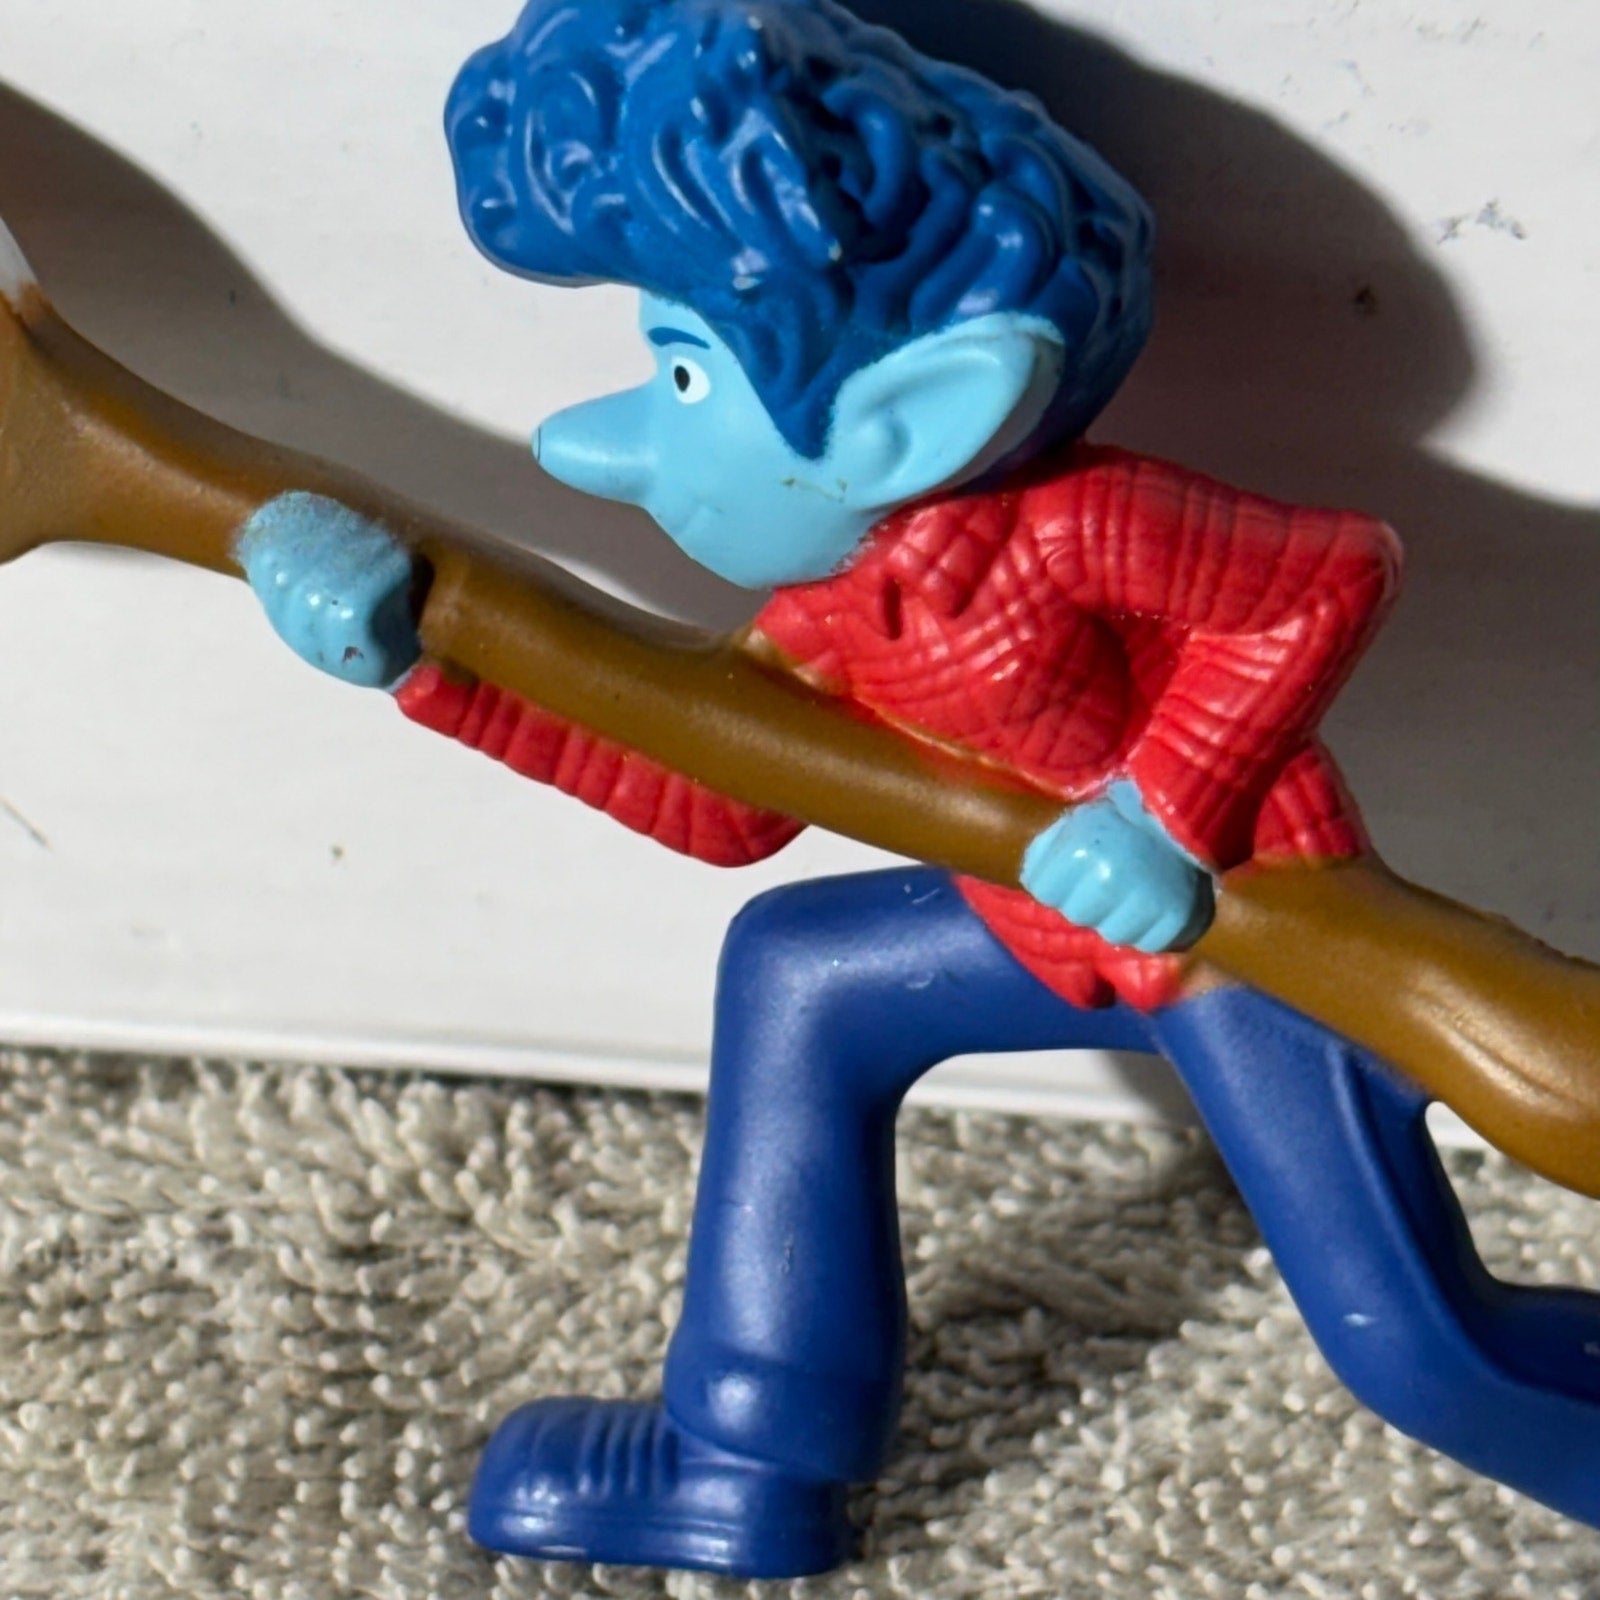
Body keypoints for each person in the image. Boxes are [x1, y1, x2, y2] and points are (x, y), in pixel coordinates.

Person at [236, 0, 1600, 1576]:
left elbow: (1321, 580)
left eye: (683, 378)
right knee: (803, 975)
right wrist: (426, 669)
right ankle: (745, 1458)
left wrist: (1165, 809)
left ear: (911, 419)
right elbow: (719, 803)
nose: (595, 446)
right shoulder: (830, 620)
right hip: (1031, 930)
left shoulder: (1075, 531)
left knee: (1412, 1347)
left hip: (1255, 939)